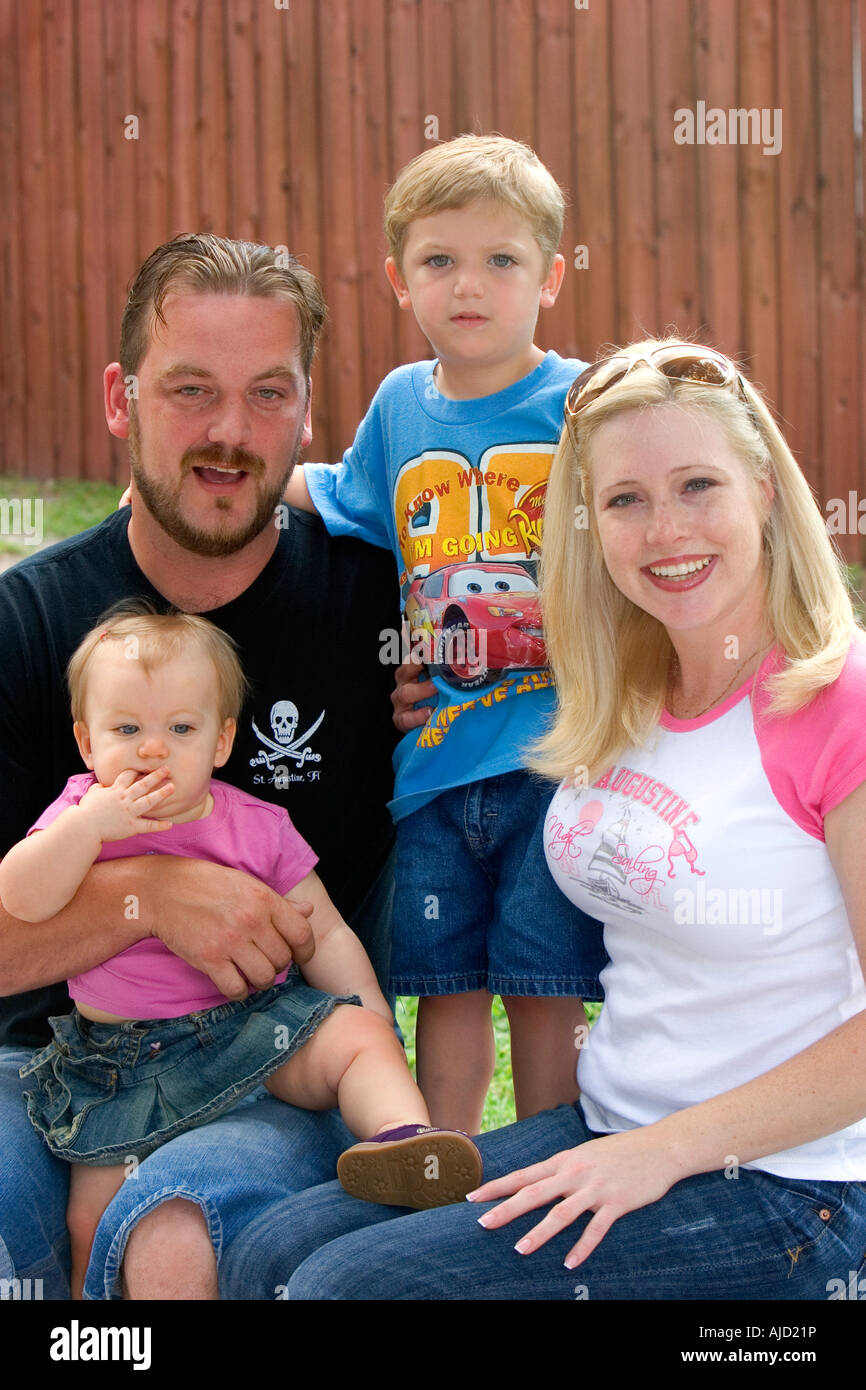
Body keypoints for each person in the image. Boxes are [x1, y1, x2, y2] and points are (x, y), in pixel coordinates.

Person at [221, 338, 866, 1300]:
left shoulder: (836, 701)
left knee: (343, 1291)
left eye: (698, 485)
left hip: (791, 1184)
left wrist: (661, 1152)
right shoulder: (627, 690)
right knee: (275, 1248)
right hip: (613, 1125)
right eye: (625, 500)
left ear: (766, 489)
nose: (664, 532)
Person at [0, 232, 424, 1301]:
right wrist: (151, 895)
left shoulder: (383, 606)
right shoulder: (27, 621)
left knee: (174, 1222)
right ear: (121, 396)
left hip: (272, 1067)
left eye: (267, 393)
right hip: (33, 1063)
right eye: (189, 389)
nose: (229, 433)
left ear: (308, 410)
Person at [0, 605, 481, 1298]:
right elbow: (20, 895)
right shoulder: (79, 813)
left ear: (222, 741)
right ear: (86, 741)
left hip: (248, 1033)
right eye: (127, 729)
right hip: (118, 1063)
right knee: (90, 1220)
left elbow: (329, 931)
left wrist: (372, 1014)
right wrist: (86, 830)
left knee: (353, 1036)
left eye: (181, 729)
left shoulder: (256, 827)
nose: (153, 749)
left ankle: (401, 1140)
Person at [283, 134, 607, 1133]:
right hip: (430, 768)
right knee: (445, 984)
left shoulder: (582, 403)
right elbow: (340, 496)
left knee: (542, 983)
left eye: (501, 260)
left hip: (556, 758)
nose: (469, 285)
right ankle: (442, 1158)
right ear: (397, 279)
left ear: (550, 276)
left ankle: (544, 1160)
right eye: (438, 261)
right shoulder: (396, 407)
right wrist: (229, 485)